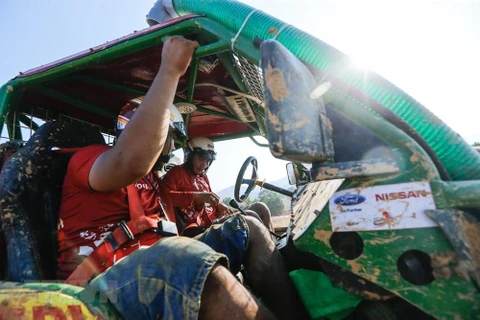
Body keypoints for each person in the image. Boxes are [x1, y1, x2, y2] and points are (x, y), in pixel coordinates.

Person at [56, 36, 307, 320]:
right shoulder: (89, 159)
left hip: (156, 258)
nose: (173, 147)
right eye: (171, 137)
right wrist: (170, 70)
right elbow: (130, 161)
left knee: (247, 227)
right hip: (99, 281)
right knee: (190, 267)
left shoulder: (152, 180)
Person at [160, 136, 274, 236]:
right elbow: (163, 198)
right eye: (201, 159)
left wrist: (219, 205)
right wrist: (196, 197)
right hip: (200, 228)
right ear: (190, 156)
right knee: (250, 216)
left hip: (216, 220)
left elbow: (209, 201)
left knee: (260, 208)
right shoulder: (177, 173)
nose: (204, 165)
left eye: (208, 161)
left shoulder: (203, 177)